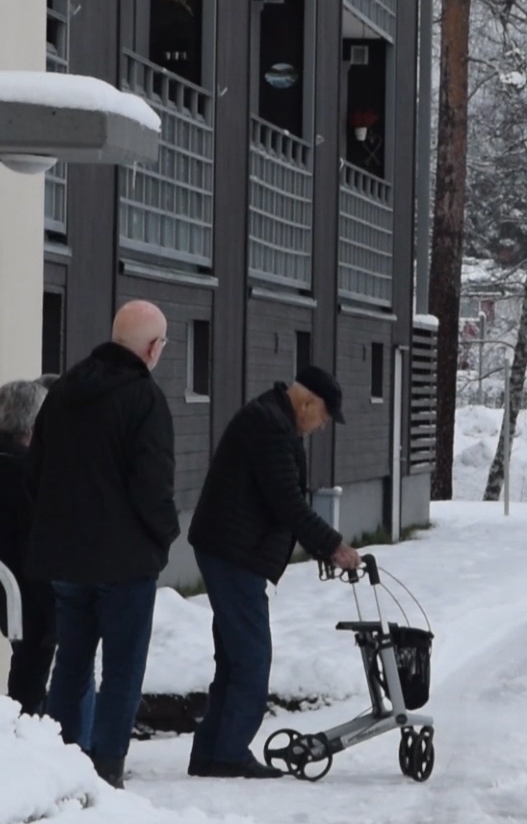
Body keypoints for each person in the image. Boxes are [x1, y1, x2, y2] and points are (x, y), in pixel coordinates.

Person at [28, 301, 180, 789]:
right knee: (122, 669)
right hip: (126, 562)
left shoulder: (64, 390)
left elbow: (36, 470)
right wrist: (165, 536)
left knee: (70, 661)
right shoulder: (144, 399)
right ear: (153, 348)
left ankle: (59, 759)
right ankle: (107, 767)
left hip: (65, 558)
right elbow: (152, 485)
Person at [186, 368, 362, 779]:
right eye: (322, 418)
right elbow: (287, 502)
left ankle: (211, 752)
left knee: (233, 658)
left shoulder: (271, 419)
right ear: (308, 403)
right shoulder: (268, 426)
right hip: (233, 553)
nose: (320, 428)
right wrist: (333, 546)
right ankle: (228, 755)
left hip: (229, 549)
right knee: (251, 658)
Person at [0, 379, 53, 714]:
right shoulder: (27, 473)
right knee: (34, 659)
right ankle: (27, 723)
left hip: (11, 580)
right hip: (24, 588)